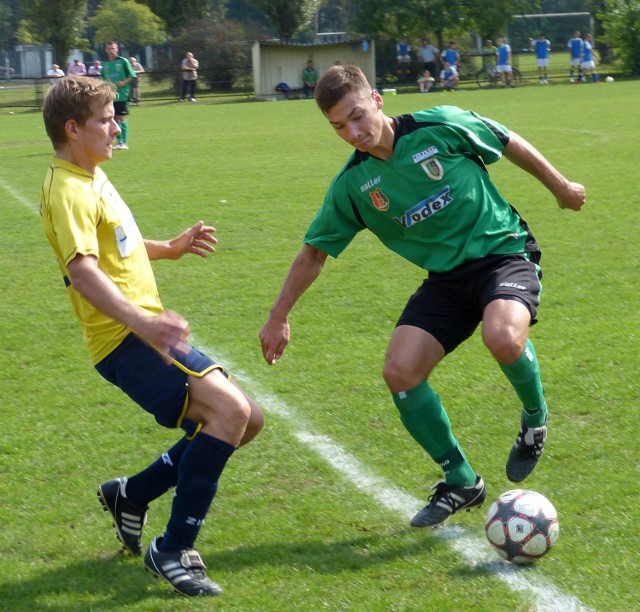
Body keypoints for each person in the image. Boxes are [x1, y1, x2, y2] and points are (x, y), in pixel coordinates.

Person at [259, 64, 585, 530]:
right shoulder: (354, 186)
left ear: (377, 100)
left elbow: (507, 140)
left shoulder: (441, 125)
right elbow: (314, 253)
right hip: (447, 281)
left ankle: (535, 419)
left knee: (503, 338)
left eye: (356, 116)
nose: (353, 132)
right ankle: (461, 479)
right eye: (338, 127)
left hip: (502, 253)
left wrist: (562, 188)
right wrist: (278, 315)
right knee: (400, 372)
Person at [40, 75, 264, 597]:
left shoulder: (89, 173)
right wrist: (144, 324)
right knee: (229, 414)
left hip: (142, 331)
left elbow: (118, 243)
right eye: (106, 118)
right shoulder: (68, 189)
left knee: (247, 419)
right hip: (126, 339)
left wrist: (170, 247)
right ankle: (172, 548)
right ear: (73, 128)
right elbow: (84, 271)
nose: (116, 125)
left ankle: (132, 494)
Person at [101, 41, 137, 150]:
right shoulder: (105, 64)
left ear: (117, 49)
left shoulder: (123, 61)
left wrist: (123, 82)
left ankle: (124, 143)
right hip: (110, 95)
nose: (111, 50)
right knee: (113, 118)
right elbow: (103, 78)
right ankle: (119, 142)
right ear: (106, 50)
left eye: (113, 48)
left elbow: (132, 75)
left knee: (121, 117)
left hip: (121, 94)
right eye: (109, 48)